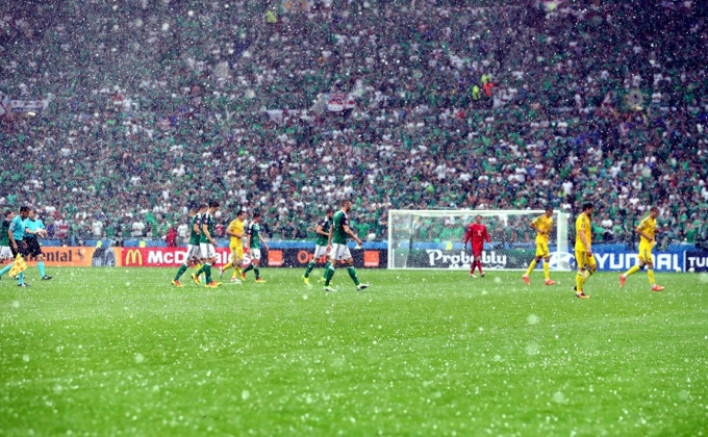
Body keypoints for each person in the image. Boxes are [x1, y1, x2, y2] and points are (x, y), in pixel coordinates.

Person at [322, 200, 369, 292]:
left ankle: (358, 285)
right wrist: (357, 239)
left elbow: (331, 229)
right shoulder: (343, 215)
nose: (351, 207)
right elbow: (347, 230)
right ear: (345, 205)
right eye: (350, 205)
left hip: (342, 242)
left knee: (350, 262)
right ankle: (326, 286)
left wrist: (329, 243)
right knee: (334, 263)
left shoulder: (336, 214)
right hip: (339, 243)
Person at [619, 206, 665, 292]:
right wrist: (647, 236)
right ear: (651, 212)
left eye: (658, 213)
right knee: (650, 264)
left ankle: (623, 276)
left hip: (648, 246)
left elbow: (651, 229)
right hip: (644, 246)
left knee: (641, 266)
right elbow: (637, 230)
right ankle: (654, 286)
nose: (657, 215)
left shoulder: (654, 221)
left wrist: (656, 231)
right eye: (655, 213)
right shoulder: (646, 220)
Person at [522, 207, 557, 286]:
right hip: (540, 240)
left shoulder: (551, 220)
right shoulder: (540, 218)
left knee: (537, 259)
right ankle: (547, 279)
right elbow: (531, 225)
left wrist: (549, 230)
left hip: (545, 240)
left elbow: (549, 229)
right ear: (546, 211)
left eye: (552, 212)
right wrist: (539, 230)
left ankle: (526, 275)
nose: (551, 213)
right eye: (550, 211)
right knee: (547, 258)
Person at [172, 203, 204, 287]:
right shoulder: (197, 218)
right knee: (188, 262)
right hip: (194, 243)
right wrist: (204, 234)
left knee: (198, 260)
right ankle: (176, 279)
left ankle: (199, 277)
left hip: (196, 243)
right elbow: (195, 229)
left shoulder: (196, 218)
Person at [194, 200, 221, 288]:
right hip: (205, 241)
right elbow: (204, 229)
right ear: (213, 207)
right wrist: (211, 240)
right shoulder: (206, 215)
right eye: (217, 208)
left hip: (208, 241)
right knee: (208, 260)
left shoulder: (209, 215)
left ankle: (197, 275)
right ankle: (208, 282)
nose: (217, 210)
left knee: (212, 260)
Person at [302, 207, 334, 285]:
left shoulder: (329, 221)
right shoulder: (324, 221)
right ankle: (305, 276)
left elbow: (318, 228)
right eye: (332, 213)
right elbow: (319, 230)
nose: (333, 215)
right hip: (321, 243)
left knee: (332, 259)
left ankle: (324, 277)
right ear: (328, 214)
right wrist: (328, 234)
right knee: (315, 260)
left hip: (326, 243)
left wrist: (313, 228)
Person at [574, 202, 596, 299]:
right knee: (582, 269)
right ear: (587, 209)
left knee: (593, 266)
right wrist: (587, 247)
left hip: (586, 247)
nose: (592, 211)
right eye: (591, 209)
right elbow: (581, 233)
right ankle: (579, 292)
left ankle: (578, 285)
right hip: (582, 248)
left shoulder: (587, 218)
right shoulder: (582, 218)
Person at [23, 208, 52, 280]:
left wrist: (42, 232)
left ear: (35, 214)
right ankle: (4, 272)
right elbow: (27, 231)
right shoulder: (25, 221)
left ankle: (43, 275)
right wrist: (36, 232)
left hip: (33, 240)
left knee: (40, 256)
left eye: (31, 213)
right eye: (29, 213)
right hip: (25, 240)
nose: (29, 214)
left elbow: (44, 231)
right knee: (21, 259)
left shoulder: (39, 222)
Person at [220, 209, 247, 283]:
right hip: (234, 244)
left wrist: (247, 235)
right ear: (239, 215)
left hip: (240, 244)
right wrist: (237, 235)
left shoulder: (242, 223)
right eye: (243, 216)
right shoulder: (234, 222)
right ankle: (234, 277)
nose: (245, 217)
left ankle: (223, 268)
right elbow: (227, 230)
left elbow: (241, 233)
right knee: (236, 262)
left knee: (240, 262)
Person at [7, 206, 31, 287]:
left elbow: (19, 232)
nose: (28, 214)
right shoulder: (16, 219)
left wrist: (22, 241)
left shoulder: (23, 220)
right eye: (27, 212)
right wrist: (14, 243)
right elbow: (10, 231)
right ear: (22, 212)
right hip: (14, 241)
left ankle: (21, 282)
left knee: (19, 261)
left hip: (19, 241)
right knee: (20, 261)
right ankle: (21, 282)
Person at [242, 211, 268, 283]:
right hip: (253, 246)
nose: (261, 218)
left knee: (255, 262)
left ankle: (243, 272)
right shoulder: (251, 225)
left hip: (257, 245)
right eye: (260, 217)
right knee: (256, 262)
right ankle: (257, 278)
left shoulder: (257, 225)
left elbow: (259, 235)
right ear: (256, 217)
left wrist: (265, 243)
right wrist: (248, 248)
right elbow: (248, 237)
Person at [0, 210, 16, 280]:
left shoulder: (9, 222)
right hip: (4, 244)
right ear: (8, 214)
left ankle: (12, 274)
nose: (13, 215)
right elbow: (9, 232)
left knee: (15, 261)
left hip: (8, 244)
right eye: (12, 213)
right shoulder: (5, 222)